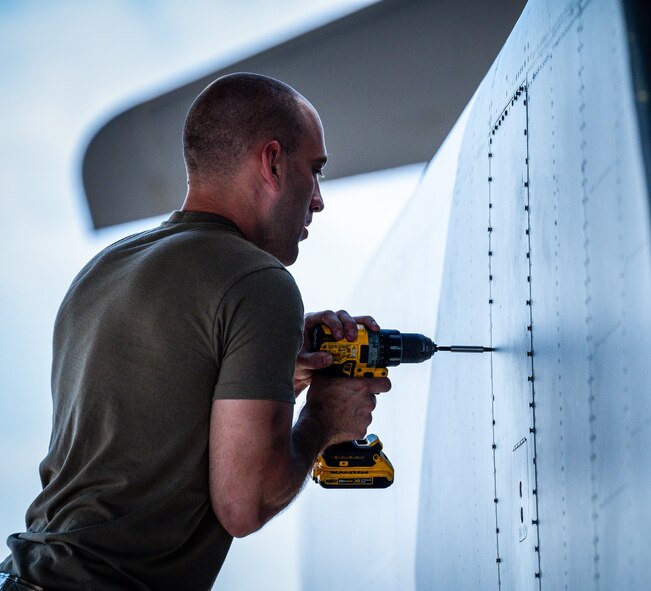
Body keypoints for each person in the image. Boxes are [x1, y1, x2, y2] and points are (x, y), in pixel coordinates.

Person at [0, 72, 391, 590]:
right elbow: (244, 503)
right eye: (314, 171)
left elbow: (153, 420)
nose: (318, 199)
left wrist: (275, 369)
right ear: (272, 162)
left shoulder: (103, 270)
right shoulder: (259, 281)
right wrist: (324, 418)